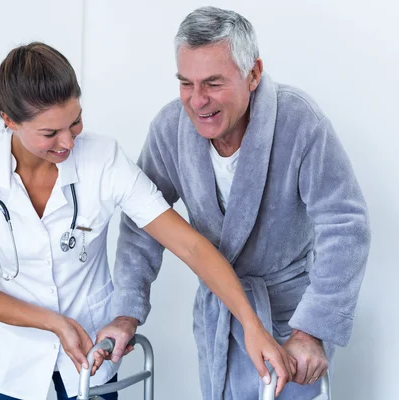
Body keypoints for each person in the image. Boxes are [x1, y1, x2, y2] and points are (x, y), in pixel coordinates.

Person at [0, 42, 293, 400]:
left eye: (75, 121)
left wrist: (252, 325)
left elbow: (189, 245)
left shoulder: (102, 159)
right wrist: (54, 323)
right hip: (8, 362)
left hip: (91, 360)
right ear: (9, 120)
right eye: (50, 133)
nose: (68, 142)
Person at [97, 6, 371, 400]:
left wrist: (312, 331)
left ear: (254, 73)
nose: (197, 100)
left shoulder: (299, 121)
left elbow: (345, 223)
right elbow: (143, 225)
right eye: (186, 83)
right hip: (218, 320)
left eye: (213, 83)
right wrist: (126, 313)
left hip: (289, 322)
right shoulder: (169, 128)